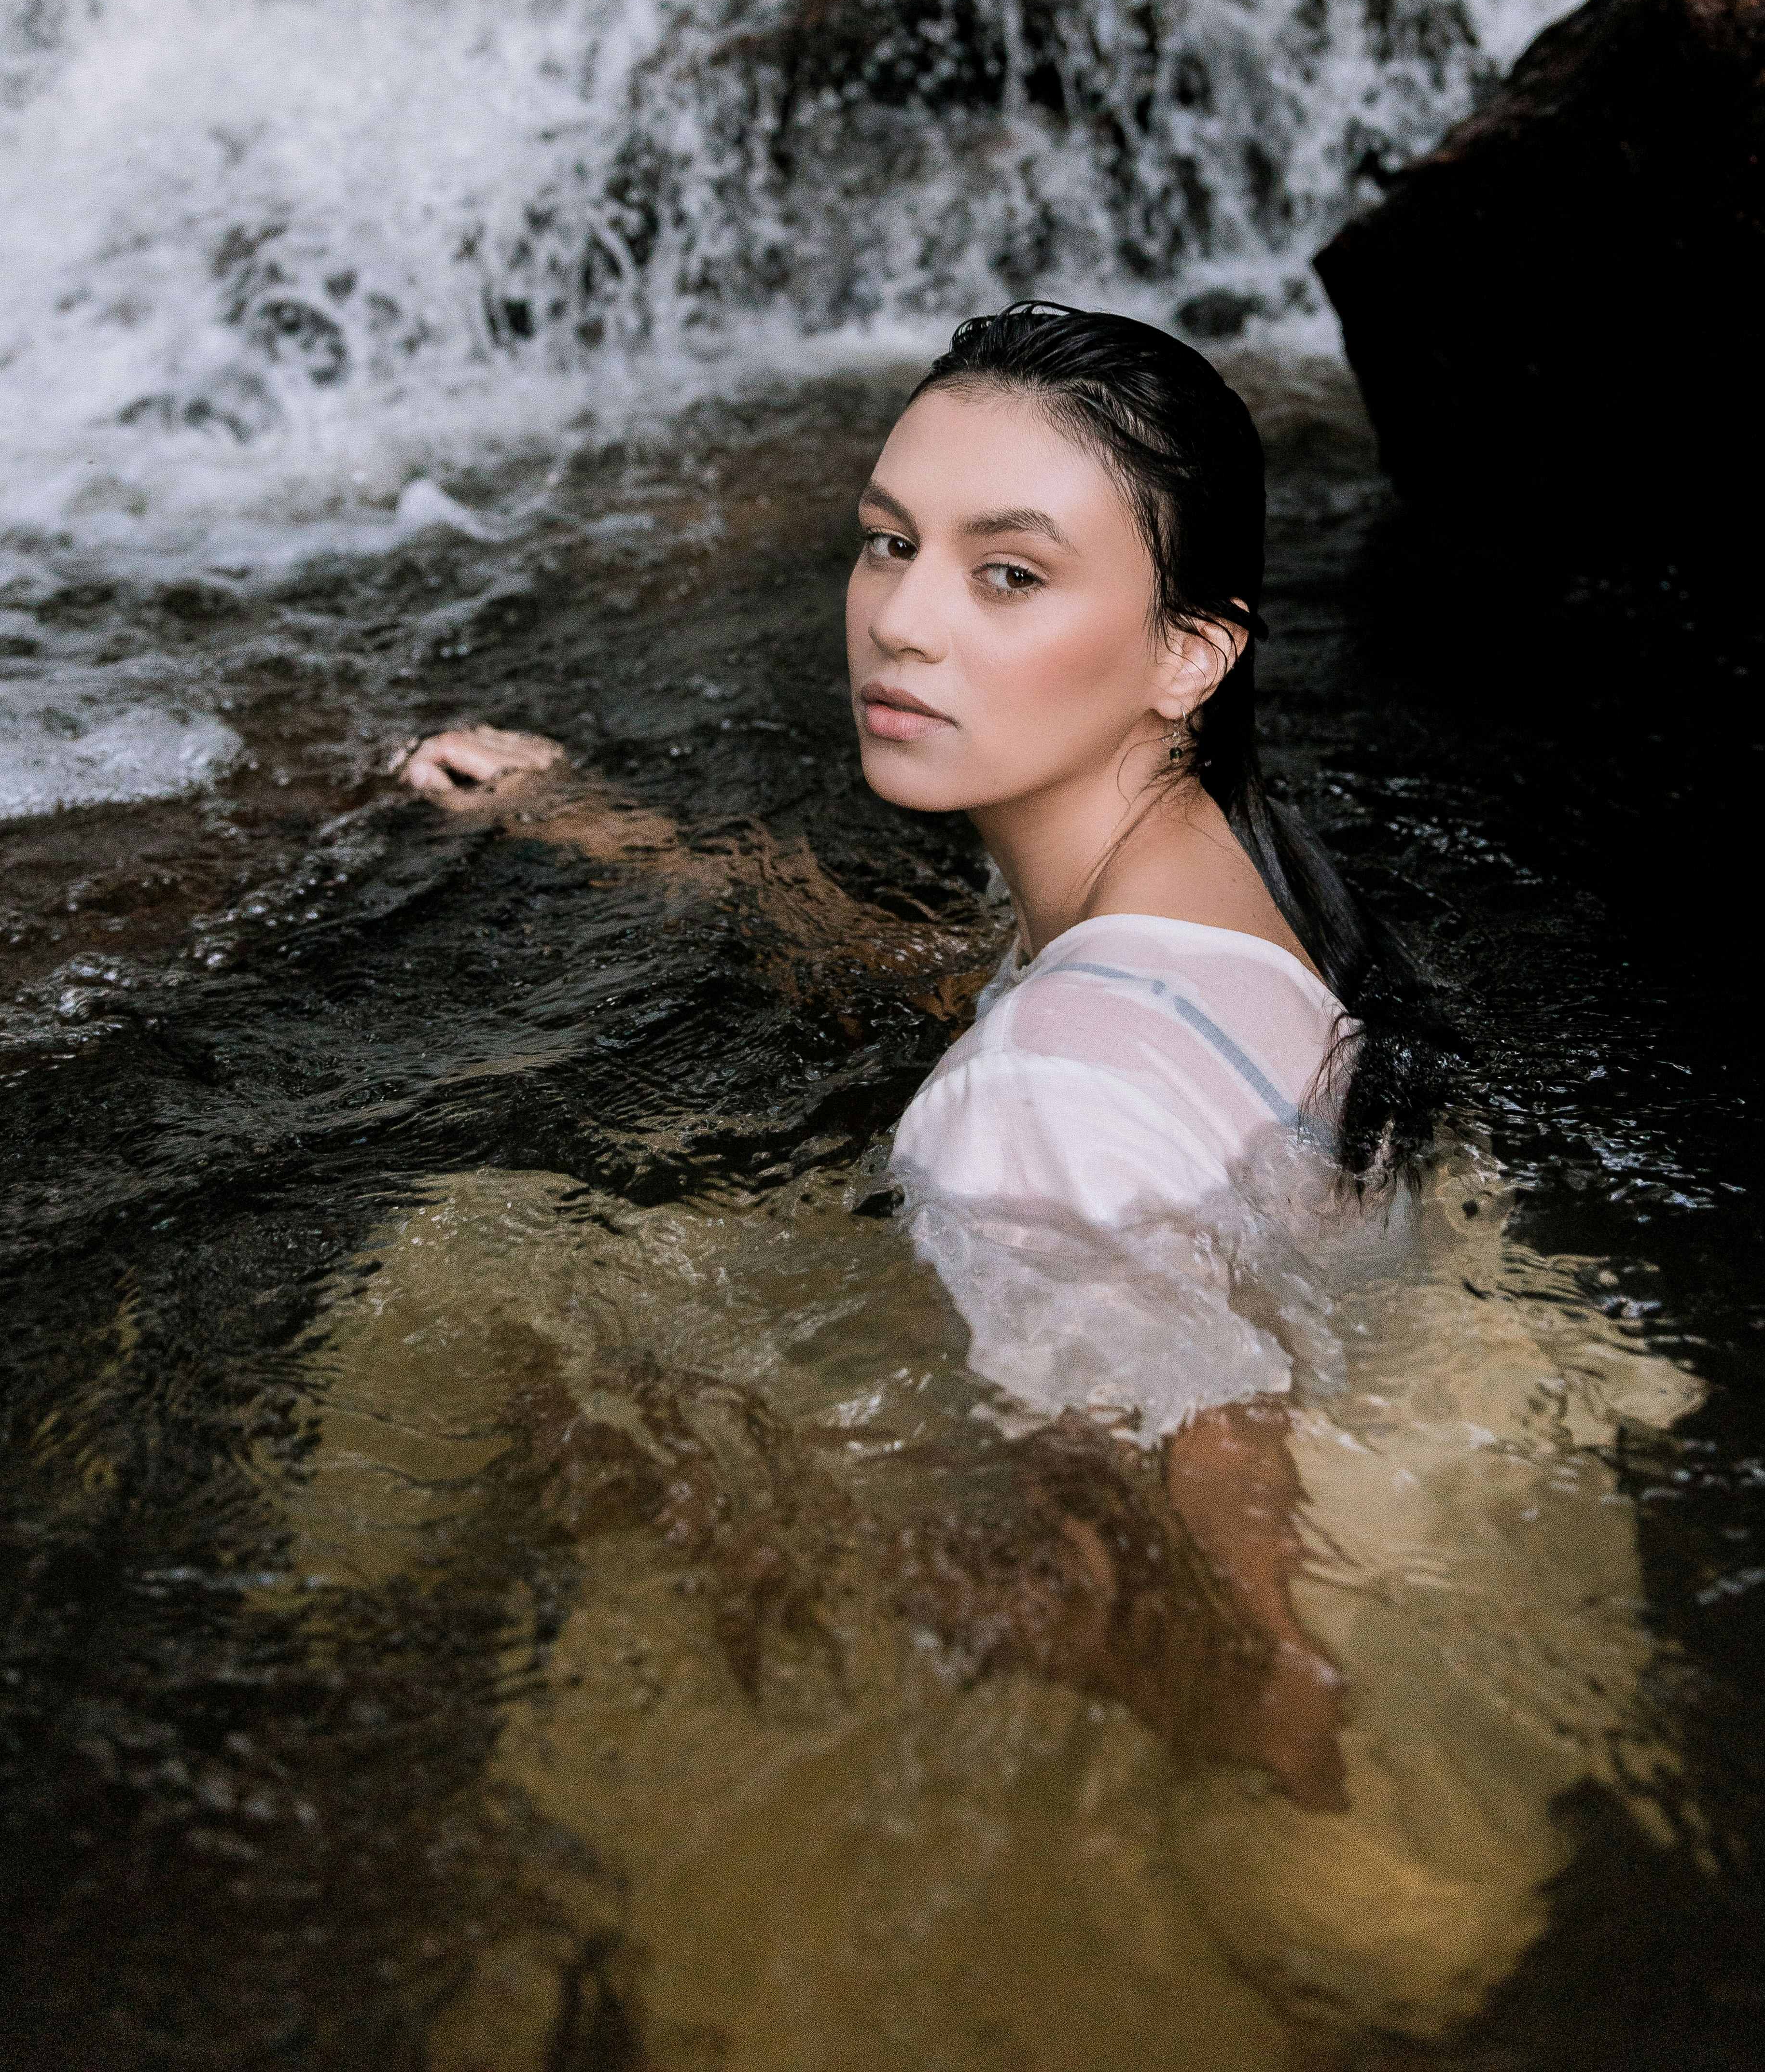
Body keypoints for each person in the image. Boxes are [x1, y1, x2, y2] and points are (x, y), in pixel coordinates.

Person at [402, 303, 1457, 1807]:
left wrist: (694, 1490)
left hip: (1316, 1772)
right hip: (1426, 1479)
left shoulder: (1027, 1110)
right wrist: (600, 827)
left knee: (473, 1287)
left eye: (1007, 574)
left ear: (1189, 655)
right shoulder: (1243, 881)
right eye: (890, 540)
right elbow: (1004, 989)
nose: (903, 617)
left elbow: (1195, 1630)